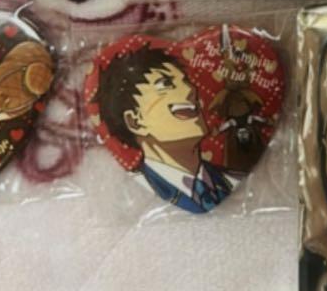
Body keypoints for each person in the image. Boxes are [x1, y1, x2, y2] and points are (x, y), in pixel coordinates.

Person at [96, 47, 236, 214]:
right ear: (135, 121)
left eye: (185, 81)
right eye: (165, 84)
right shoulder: (133, 194)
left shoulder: (232, 179)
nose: (191, 90)